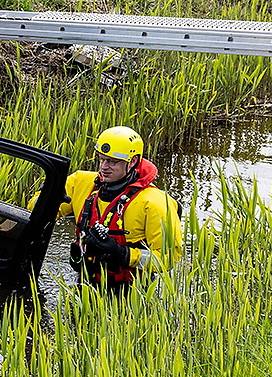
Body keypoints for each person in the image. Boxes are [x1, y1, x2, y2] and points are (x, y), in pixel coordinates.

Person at [54, 126, 182, 294]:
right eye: (101, 159)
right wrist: (48, 193)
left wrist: (123, 253)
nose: (104, 167)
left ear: (133, 161)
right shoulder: (80, 183)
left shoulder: (155, 203)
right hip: (84, 286)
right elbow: (38, 213)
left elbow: (168, 259)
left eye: (113, 162)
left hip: (131, 294)